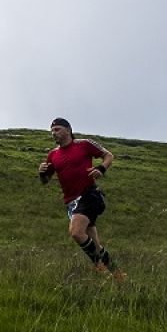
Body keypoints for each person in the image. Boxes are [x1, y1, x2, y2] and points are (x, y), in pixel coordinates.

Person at [38, 118, 125, 280]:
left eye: (57, 129)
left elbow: (108, 155)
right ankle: (118, 276)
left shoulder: (84, 144)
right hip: (71, 203)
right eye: (52, 130)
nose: (53, 133)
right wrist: (42, 173)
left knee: (76, 232)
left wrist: (101, 168)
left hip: (89, 194)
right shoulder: (53, 155)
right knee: (96, 246)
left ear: (68, 129)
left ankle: (99, 267)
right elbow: (45, 181)